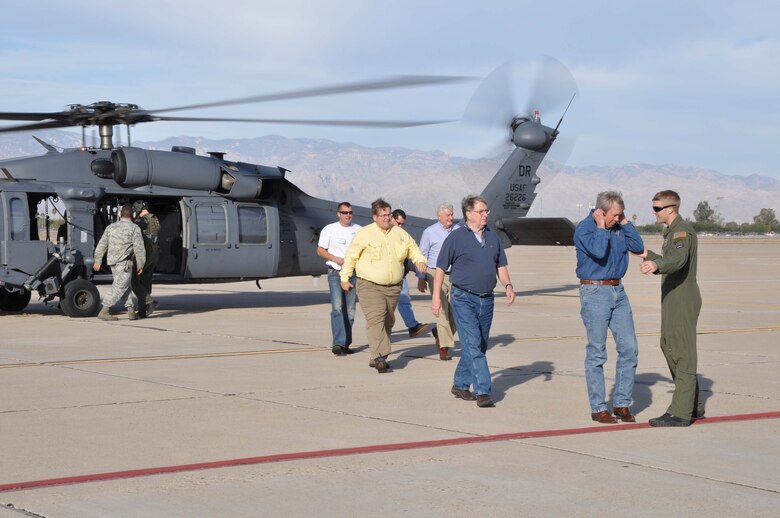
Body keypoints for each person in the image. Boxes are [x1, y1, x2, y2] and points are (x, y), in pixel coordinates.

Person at [432, 195, 515, 407]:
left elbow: (501, 266)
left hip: (486, 300)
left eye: (486, 211)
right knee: (473, 345)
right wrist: (436, 297)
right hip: (463, 298)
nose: (486, 214)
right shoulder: (456, 237)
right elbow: (440, 267)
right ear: (469, 214)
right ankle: (483, 391)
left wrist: (508, 285)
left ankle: (460, 384)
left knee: (479, 345)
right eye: (482, 211)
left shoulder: (492, 237)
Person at [574, 191, 645, 424]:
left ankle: (622, 403)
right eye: (615, 215)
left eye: (620, 214)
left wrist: (624, 222)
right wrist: (602, 227)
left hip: (618, 291)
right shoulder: (585, 229)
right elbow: (597, 251)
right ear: (601, 212)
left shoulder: (619, 227)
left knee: (629, 348)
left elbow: (637, 246)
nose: (618, 218)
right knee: (597, 351)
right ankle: (598, 407)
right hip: (595, 292)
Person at [639, 190, 704, 427]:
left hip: (682, 295)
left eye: (657, 209)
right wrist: (649, 255)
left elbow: (678, 260)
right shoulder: (672, 231)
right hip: (673, 294)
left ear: (670, 209)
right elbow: (672, 258)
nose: (654, 212)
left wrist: (657, 264)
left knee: (681, 351)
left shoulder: (681, 231)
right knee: (669, 345)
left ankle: (680, 412)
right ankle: (692, 404)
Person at [341, 199, 427, 373]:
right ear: (375, 217)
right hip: (369, 285)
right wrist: (345, 277)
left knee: (388, 321)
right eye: (383, 215)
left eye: (389, 214)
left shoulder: (400, 233)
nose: (387, 218)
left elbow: (413, 248)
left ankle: (375, 356)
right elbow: (351, 257)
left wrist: (420, 260)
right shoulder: (364, 233)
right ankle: (380, 356)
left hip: (394, 287)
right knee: (376, 319)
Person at [317, 202, 361, 356]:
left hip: (352, 274)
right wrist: (334, 258)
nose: (348, 215)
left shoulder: (358, 230)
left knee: (350, 311)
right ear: (338, 214)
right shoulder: (330, 229)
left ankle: (345, 343)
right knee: (337, 308)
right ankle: (338, 342)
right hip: (335, 273)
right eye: (344, 212)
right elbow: (320, 250)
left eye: (350, 212)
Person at [418, 202, 460, 360]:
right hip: (434, 273)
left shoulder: (459, 231)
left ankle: (440, 334)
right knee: (442, 310)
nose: (451, 218)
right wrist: (421, 278)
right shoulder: (429, 232)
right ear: (439, 217)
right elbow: (422, 256)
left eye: (451, 214)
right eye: (447, 215)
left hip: (455, 274)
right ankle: (445, 348)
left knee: (456, 311)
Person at [93, 204, 146, 321]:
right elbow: (139, 247)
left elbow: (102, 244)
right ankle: (104, 310)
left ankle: (131, 311)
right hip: (124, 263)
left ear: (121, 214)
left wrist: (98, 260)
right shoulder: (134, 228)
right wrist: (141, 263)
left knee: (124, 286)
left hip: (112, 262)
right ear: (132, 215)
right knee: (119, 286)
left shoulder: (111, 227)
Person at [390, 209, 432, 339]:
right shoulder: (381, 235)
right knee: (385, 307)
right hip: (384, 277)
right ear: (391, 218)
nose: (400, 226)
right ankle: (382, 332)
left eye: (402, 224)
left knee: (404, 301)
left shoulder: (403, 236)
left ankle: (413, 326)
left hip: (400, 276)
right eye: (398, 223)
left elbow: (414, 254)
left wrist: (421, 275)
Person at [131, 200, 160, 318]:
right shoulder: (154, 218)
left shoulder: (140, 221)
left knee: (134, 281)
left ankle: (149, 302)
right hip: (155, 252)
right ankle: (143, 310)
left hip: (145, 252)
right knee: (146, 281)